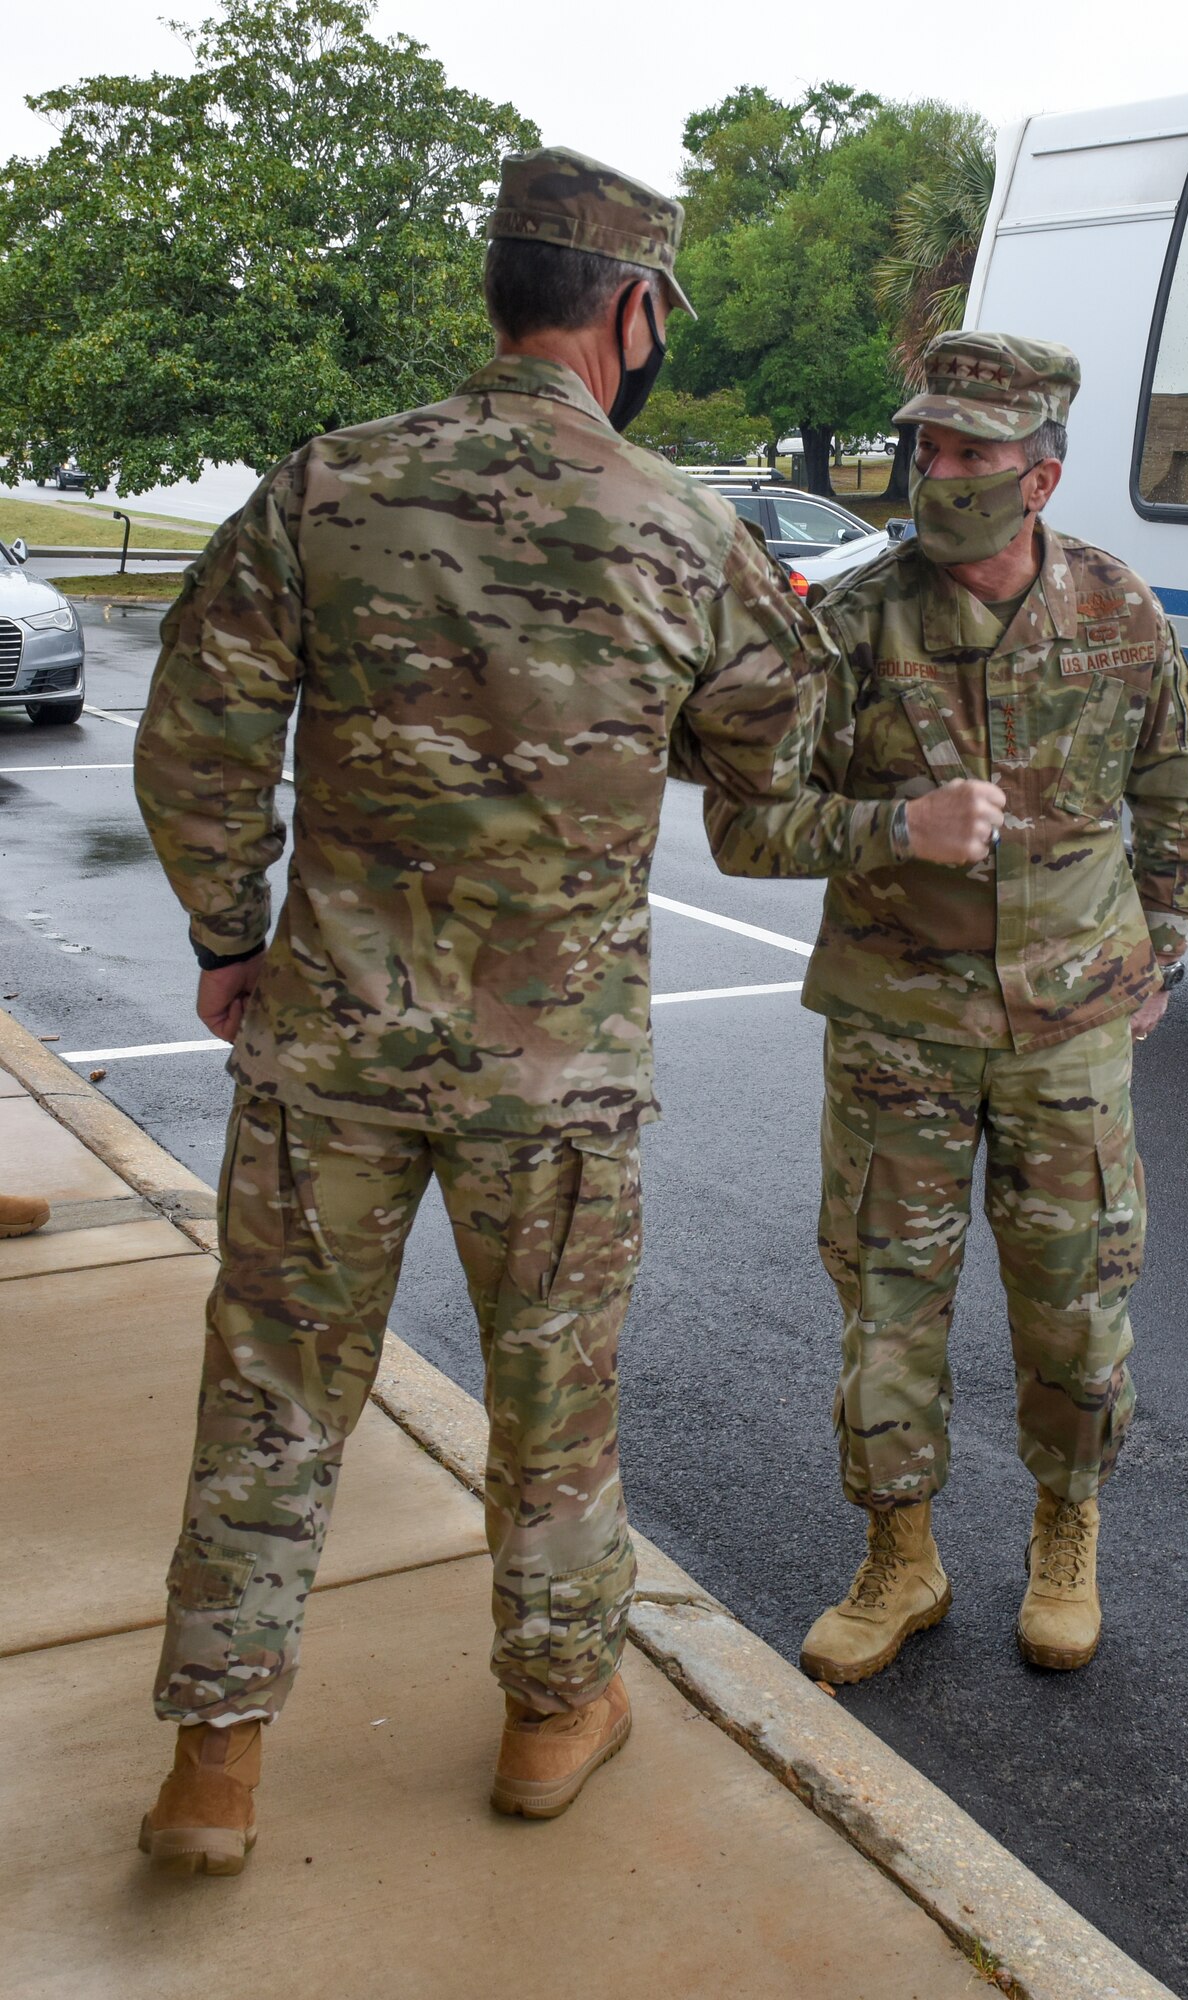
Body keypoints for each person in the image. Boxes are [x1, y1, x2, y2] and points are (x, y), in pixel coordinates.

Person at [132, 146, 888, 1875]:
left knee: (272, 1390)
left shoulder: (326, 485)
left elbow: (197, 730)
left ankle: (217, 1766)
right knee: (557, 1400)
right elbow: (772, 776)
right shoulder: (686, 525)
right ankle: (555, 1713)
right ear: (631, 311)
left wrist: (228, 928)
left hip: (326, 1044)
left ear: (500, 293)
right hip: (556, 1080)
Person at [701, 331, 1188, 1686]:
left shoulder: (1116, 612)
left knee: (1073, 1306)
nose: (935, 473)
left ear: (1037, 475)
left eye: (968, 453)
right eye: (924, 445)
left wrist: (1156, 951)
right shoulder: (851, 621)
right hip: (897, 1029)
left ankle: (1066, 1533)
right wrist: (892, 828)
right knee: (886, 1305)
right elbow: (743, 827)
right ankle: (899, 1556)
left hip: (1069, 1032)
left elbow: (1175, 801)